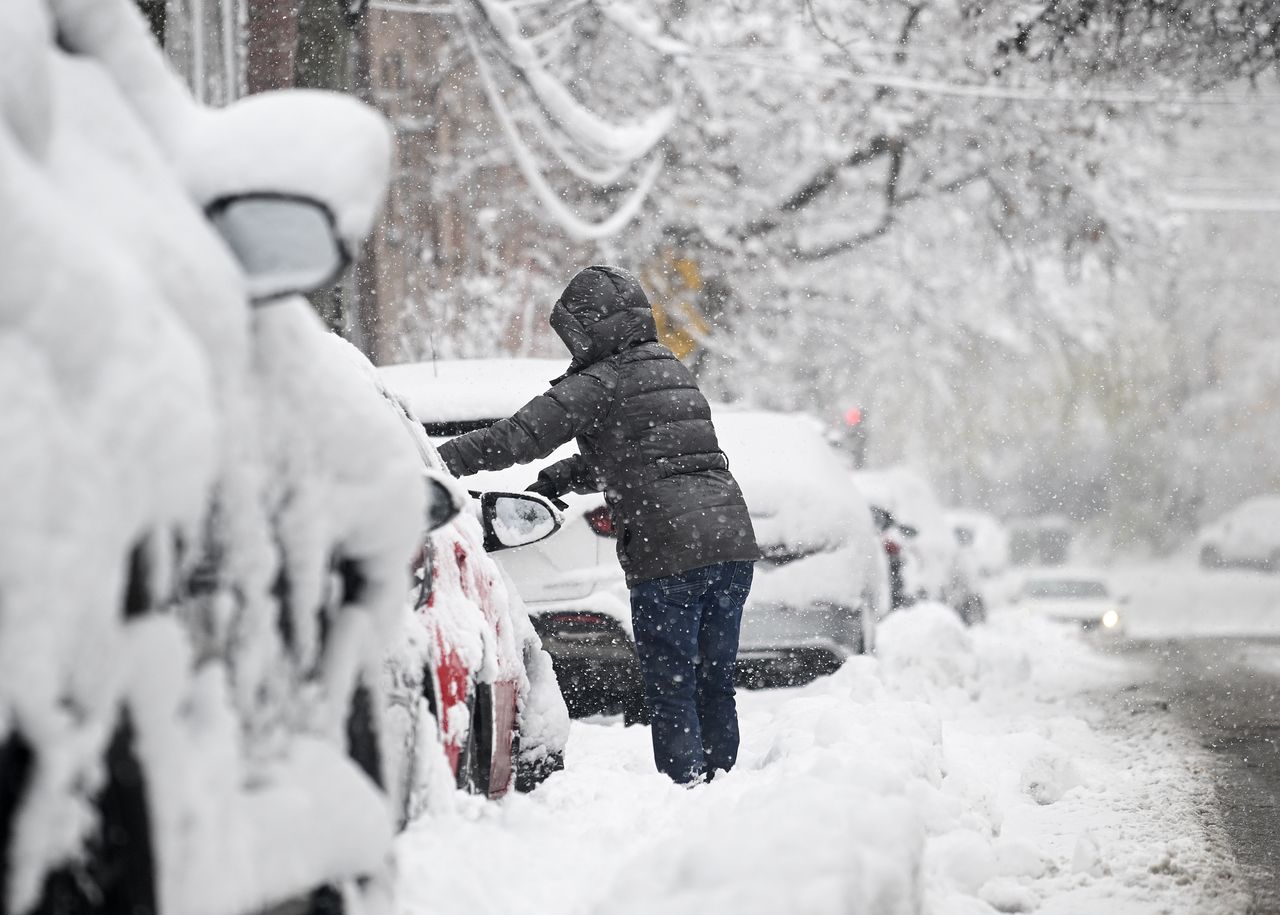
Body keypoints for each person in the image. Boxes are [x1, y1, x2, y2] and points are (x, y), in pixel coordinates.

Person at [437, 265, 759, 784]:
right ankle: (722, 783)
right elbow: (640, 454)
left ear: (590, 325)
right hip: (730, 541)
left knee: (672, 684)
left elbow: (518, 435)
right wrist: (559, 478)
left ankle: (688, 791)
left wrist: (437, 460)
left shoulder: (601, 380)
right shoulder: (670, 368)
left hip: (671, 551)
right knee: (713, 679)